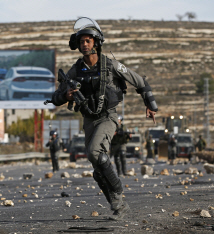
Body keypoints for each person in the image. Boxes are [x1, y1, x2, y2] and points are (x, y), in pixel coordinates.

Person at [50, 17, 157, 220]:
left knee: (94, 152)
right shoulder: (75, 70)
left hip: (108, 116)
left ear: (96, 43)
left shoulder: (111, 65)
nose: (84, 44)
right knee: (97, 168)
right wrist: (66, 96)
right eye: (81, 41)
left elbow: (140, 81)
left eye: (88, 40)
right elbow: (56, 97)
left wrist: (150, 105)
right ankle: (119, 207)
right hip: (89, 120)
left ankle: (118, 196)